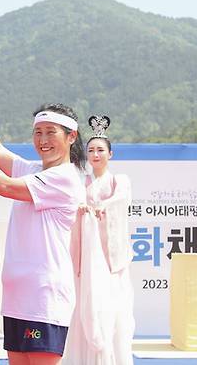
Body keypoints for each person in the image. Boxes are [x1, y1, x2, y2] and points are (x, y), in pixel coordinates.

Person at [0, 86, 86, 365]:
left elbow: (7, 187)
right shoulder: (35, 170)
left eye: (51, 132)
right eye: (38, 132)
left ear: (71, 137)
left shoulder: (64, 178)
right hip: (18, 294)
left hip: (44, 296)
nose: (43, 140)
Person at [63, 115, 135, 365]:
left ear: (110, 154)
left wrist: (101, 205)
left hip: (111, 261)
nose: (95, 154)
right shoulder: (80, 182)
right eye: (91, 150)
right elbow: (73, 204)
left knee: (114, 313)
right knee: (84, 308)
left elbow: (120, 200)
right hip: (87, 260)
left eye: (100, 150)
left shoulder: (119, 181)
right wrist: (82, 208)